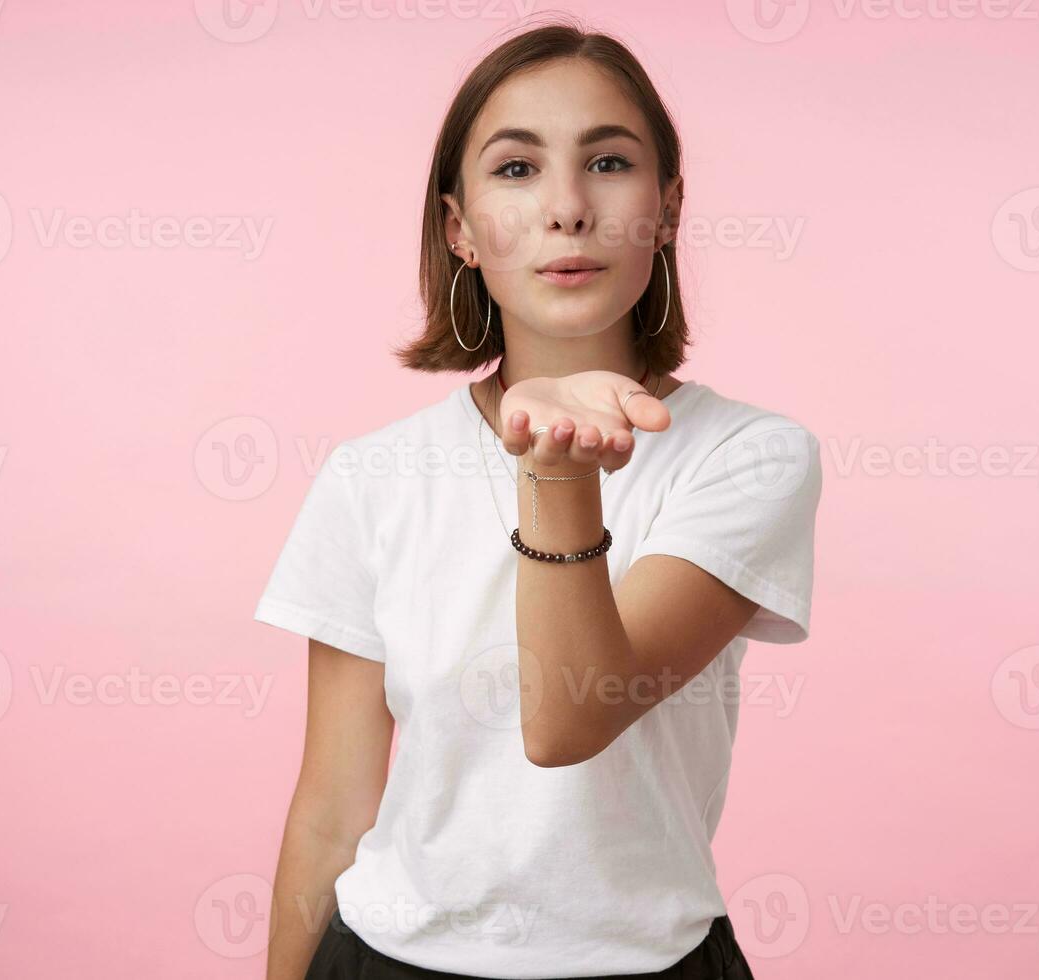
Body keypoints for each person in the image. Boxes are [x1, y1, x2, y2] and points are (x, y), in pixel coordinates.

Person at [254, 17, 821, 980]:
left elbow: (569, 716)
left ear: (669, 207)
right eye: (516, 170)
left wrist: (553, 462)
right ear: (458, 228)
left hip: (649, 962)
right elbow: (332, 809)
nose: (567, 207)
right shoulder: (371, 476)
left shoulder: (751, 457)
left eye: (608, 162)